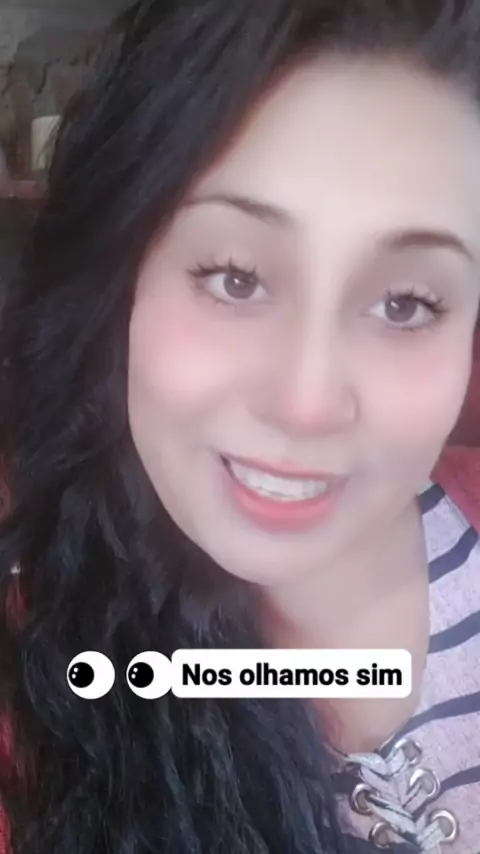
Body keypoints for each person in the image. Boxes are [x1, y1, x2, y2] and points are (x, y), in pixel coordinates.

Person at [0, 1, 480, 852]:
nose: (306, 402)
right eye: (235, 277)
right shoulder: (33, 691)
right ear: (121, 282)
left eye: (406, 303)